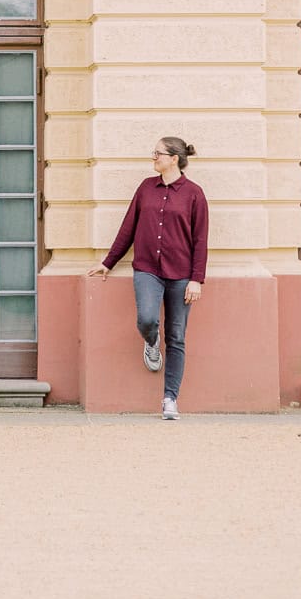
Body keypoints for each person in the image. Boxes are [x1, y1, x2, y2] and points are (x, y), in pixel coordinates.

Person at [88, 136, 208, 420]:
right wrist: (108, 262)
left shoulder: (194, 194)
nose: (153, 158)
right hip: (147, 270)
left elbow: (200, 240)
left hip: (182, 275)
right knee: (146, 319)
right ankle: (152, 342)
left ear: (174, 159)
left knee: (177, 337)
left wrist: (196, 279)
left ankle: (170, 399)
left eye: (158, 154)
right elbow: (128, 227)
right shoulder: (145, 188)